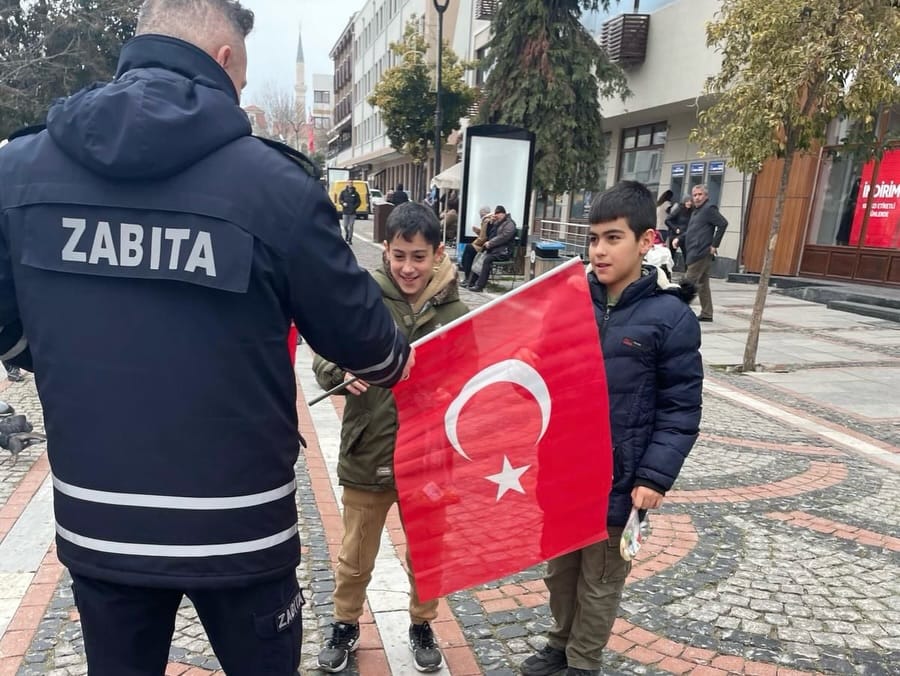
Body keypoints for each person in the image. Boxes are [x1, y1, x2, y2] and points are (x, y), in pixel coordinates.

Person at [0, 2, 415, 675]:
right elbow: (370, 348)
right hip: (240, 525)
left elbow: (6, 326)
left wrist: (59, 360)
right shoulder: (273, 187)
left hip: (101, 522)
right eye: (243, 80)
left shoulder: (18, 172)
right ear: (224, 61)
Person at [520, 181, 702, 676]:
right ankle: (559, 644)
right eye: (594, 238)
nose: (599, 250)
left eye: (613, 238)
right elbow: (544, 378)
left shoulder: (671, 319)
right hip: (564, 473)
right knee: (561, 574)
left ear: (646, 241)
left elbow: (680, 409)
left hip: (620, 479)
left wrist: (654, 477)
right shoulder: (568, 305)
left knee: (600, 579)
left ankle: (582, 662)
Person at [313, 202, 468, 673]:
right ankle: (345, 623)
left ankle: (422, 623)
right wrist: (340, 369)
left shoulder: (456, 311)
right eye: (399, 254)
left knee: (427, 548)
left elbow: (471, 377)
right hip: (369, 447)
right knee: (356, 551)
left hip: (430, 453)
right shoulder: (363, 299)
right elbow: (325, 354)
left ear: (437, 253)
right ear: (386, 249)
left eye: (419, 256)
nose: (408, 267)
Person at [682, 184, 728, 322]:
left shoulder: (709, 209)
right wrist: (679, 239)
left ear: (706, 196)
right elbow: (692, 231)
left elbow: (723, 223)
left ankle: (677, 311)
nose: (696, 197)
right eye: (694, 195)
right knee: (703, 284)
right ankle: (707, 313)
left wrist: (714, 245)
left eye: (700, 194)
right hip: (694, 251)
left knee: (687, 283)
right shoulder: (696, 211)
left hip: (701, 252)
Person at [462, 205, 516, 292]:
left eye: (497, 214)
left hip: (504, 251)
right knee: (480, 258)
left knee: (487, 259)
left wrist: (490, 243)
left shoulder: (509, 224)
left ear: (502, 214)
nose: (496, 216)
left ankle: (480, 286)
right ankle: (471, 282)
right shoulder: (498, 223)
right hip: (496, 250)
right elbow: (490, 234)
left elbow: (503, 237)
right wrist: (491, 223)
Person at [459, 206, 492, 277]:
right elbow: (485, 235)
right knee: (469, 249)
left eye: (481, 214)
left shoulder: (486, 221)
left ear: (484, 213)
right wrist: (478, 231)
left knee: (469, 248)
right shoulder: (489, 220)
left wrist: (473, 243)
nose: (480, 216)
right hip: (487, 245)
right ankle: (466, 273)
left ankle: (467, 275)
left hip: (485, 247)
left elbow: (482, 238)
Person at [665, 195, 693, 272]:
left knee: (687, 255)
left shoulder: (692, 211)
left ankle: (687, 274)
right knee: (671, 255)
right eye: (687, 201)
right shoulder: (679, 209)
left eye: (690, 201)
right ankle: (668, 271)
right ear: (684, 202)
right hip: (675, 235)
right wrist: (675, 228)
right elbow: (667, 220)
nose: (689, 203)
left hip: (685, 236)